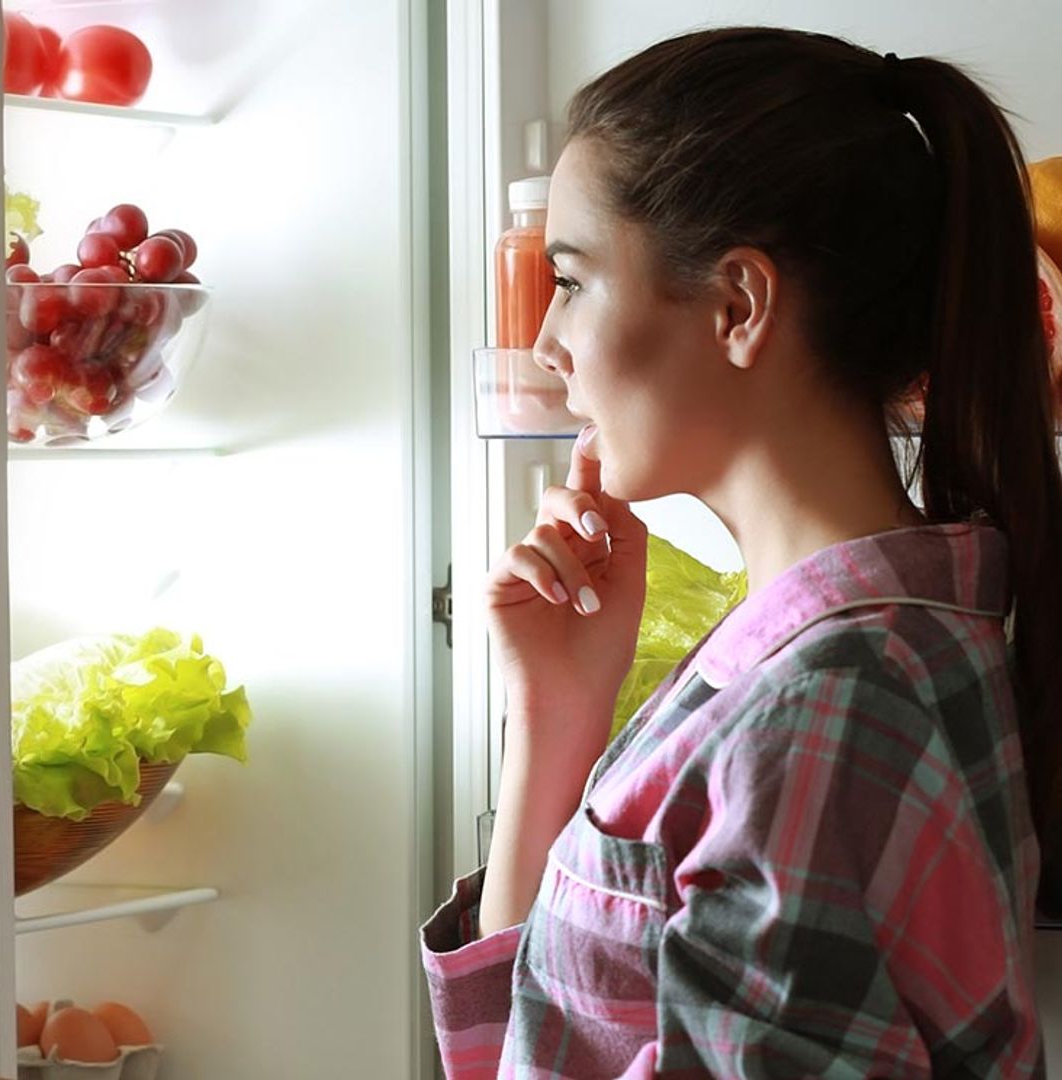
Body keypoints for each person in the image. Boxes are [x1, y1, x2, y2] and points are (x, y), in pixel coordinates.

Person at [422, 25, 1062, 1078]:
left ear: (737, 306)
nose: (545, 344)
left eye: (573, 280)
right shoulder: (851, 648)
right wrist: (557, 715)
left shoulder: (822, 710)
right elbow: (543, 1032)